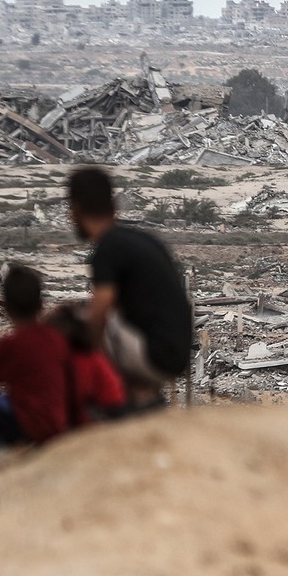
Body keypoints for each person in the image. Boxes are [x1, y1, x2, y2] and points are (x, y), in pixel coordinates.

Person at [67, 166, 194, 407]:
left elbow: (100, 312)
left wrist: (89, 360)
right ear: (113, 206)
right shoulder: (142, 240)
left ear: (75, 209)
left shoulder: (108, 249)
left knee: (77, 321)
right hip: (176, 354)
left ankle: (106, 401)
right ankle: (140, 397)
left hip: (155, 356)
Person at [0, 263, 83, 469]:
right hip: (61, 419)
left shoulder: (11, 344)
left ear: (6, 308)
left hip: (29, 423)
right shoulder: (57, 338)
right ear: (41, 304)